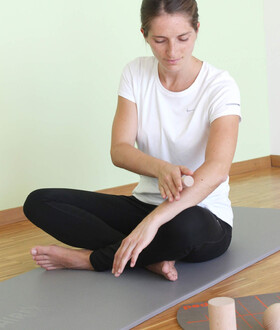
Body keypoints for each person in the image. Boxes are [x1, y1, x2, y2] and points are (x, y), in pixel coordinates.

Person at [23, 0, 241, 282]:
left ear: (197, 29)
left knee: (188, 226)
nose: (172, 51)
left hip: (200, 214)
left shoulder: (220, 86)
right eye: (160, 40)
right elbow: (120, 150)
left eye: (183, 38)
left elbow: (217, 169)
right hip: (142, 205)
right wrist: (161, 169)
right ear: (144, 35)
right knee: (40, 202)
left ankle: (90, 260)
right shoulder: (135, 73)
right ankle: (146, 259)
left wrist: (154, 221)